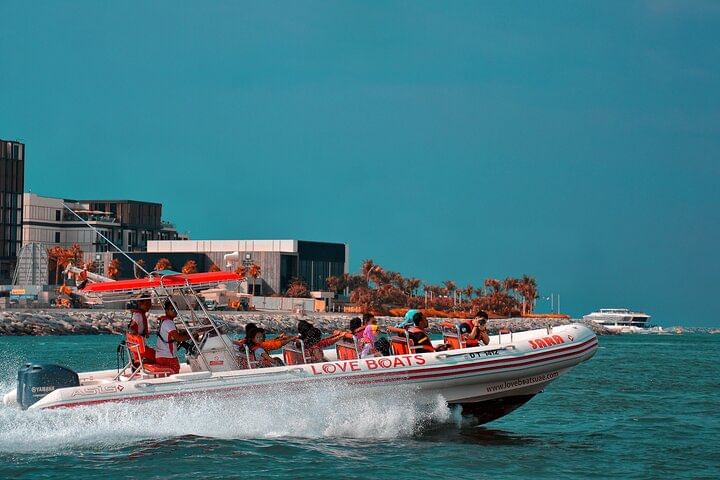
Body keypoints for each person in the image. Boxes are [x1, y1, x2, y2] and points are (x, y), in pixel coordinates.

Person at [155, 300, 191, 374]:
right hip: (168, 357)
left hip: (161, 355)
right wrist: (191, 336)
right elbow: (178, 338)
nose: (175, 311)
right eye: (172, 309)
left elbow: (170, 336)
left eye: (176, 308)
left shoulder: (163, 321)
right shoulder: (169, 322)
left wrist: (183, 333)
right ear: (166, 311)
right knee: (174, 373)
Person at [126, 298, 155, 363]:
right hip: (141, 349)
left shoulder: (138, 314)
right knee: (159, 357)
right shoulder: (138, 315)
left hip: (136, 349)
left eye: (150, 305)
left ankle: (139, 362)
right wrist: (137, 336)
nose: (148, 306)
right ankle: (143, 361)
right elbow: (132, 328)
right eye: (146, 304)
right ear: (140, 304)